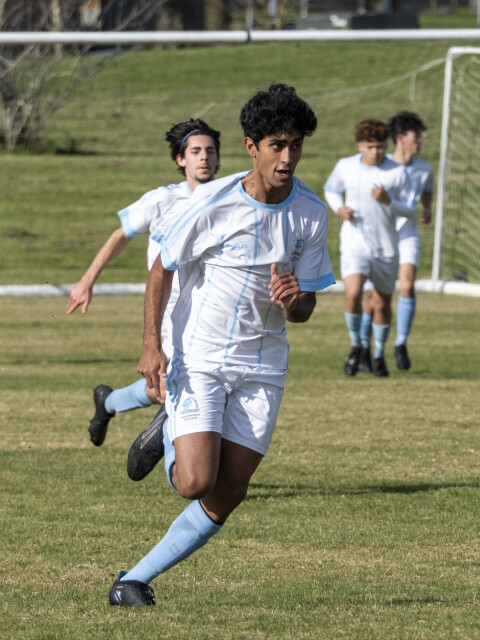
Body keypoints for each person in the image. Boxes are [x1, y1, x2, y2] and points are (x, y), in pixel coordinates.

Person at [108, 83, 335, 607]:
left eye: (296, 145)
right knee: (194, 482)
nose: (287, 157)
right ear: (252, 147)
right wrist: (151, 346)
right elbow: (162, 267)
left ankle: (132, 581)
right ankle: (169, 427)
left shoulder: (311, 213)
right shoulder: (213, 202)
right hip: (202, 358)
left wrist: (294, 300)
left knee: (229, 491)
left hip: (264, 366)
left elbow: (304, 309)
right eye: (277, 145)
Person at [66, 119, 221, 448]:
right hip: (167, 310)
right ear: (181, 159)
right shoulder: (162, 200)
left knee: (173, 390)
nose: (204, 157)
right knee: (166, 390)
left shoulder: (227, 201)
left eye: (210, 151)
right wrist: (87, 280)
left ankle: (109, 403)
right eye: (196, 151)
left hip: (210, 311)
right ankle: (162, 444)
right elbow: (120, 236)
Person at [324, 119, 417, 378]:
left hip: (386, 247)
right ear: (360, 146)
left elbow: (411, 209)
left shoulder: (397, 172)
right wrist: (339, 208)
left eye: (379, 147)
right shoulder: (346, 166)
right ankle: (356, 346)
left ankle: (378, 354)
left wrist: (389, 201)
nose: (375, 152)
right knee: (353, 293)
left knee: (382, 302)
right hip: (355, 242)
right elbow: (331, 189)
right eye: (369, 146)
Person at [359, 112, 433, 372]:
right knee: (374, 298)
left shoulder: (424, 168)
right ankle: (362, 348)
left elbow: (427, 190)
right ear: (401, 138)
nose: (420, 140)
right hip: (384, 236)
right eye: (417, 136)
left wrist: (427, 209)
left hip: (408, 234)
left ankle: (400, 344)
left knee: (407, 286)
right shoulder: (383, 166)